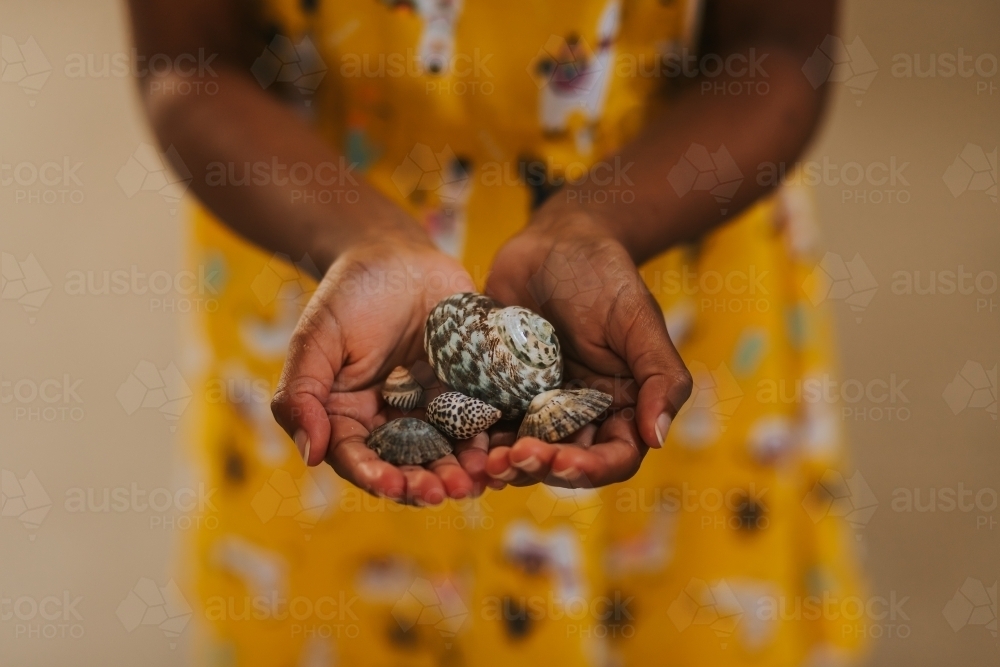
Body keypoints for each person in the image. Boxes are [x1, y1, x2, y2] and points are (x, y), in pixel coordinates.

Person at [128, 0, 866, 664]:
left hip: (663, 229)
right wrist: (360, 238)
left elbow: (780, 49)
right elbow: (189, 63)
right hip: (316, 245)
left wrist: (595, 223)